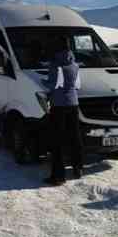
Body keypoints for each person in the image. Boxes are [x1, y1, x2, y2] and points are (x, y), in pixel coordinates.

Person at [43, 36, 82, 186]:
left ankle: (58, 175)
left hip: (59, 105)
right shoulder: (75, 65)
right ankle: (78, 168)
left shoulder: (55, 65)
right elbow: (77, 85)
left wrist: (43, 81)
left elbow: (52, 85)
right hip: (73, 103)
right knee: (75, 137)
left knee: (57, 140)